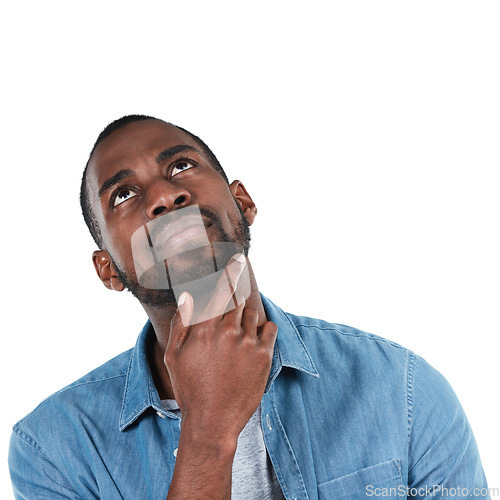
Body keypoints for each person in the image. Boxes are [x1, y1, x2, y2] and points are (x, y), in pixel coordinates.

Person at [9, 115, 490, 499]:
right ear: (108, 270)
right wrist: (208, 434)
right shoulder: (54, 450)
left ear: (243, 203)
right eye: (124, 194)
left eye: (180, 166)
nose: (163, 195)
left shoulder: (403, 390)